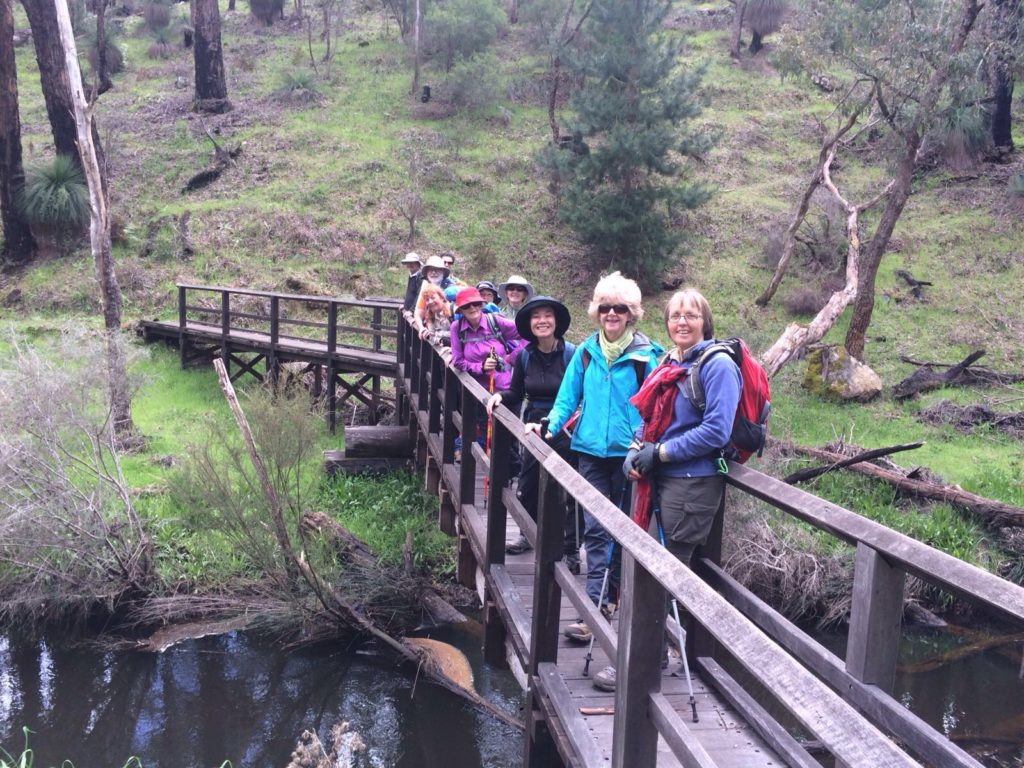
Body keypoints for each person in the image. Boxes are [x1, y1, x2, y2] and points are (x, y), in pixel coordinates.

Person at [587, 289, 741, 694]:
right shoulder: (670, 362)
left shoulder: (717, 366)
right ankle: (649, 655)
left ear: (705, 322)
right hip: (662, 479)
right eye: (675, 316)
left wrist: (662, 453)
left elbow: (717, 431)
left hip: (692, 486)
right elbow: (649, 417)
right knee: (643, 566)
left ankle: (642, 664)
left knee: (663, 576)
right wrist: (637, 451)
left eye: (691, 315)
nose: (682, 323)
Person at [528, 272, 662, 654]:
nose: (612, 314)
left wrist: (641, 442)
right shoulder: (586, 352)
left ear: (631, 313)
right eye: (606, 308)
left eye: (620, 308)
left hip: (627, 457)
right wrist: (549, 426)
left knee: (620, 531)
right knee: (595, 531)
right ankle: (595, 609)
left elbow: (652, 410)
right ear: (597, 311)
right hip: (588, 452)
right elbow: (567, 397)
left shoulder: (646, 357)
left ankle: (610, 597)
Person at [486, 296, 582, 566]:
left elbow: (581, 394)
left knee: (569, 490)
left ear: (556, 321)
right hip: (533, 426)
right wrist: (500, 397)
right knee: (527, 486)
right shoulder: (525, 355)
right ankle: (527, 534)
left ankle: (571, 549)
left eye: (547, 315)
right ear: (529, 323)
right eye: (536, 316)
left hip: (566, 427)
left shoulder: (572, 354)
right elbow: (517, 391)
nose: (542, 321)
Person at [449, 287, 524, 392]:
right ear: (461, 309)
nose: (472, 308)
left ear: (481, 304)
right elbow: (458, 362)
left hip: (504, 389)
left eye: (476, 304)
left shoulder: (495, 321)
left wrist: (513, 357)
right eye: (466, 305)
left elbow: (529, 334)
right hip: (474, 391)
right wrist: (481, 367)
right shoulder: (457, 328)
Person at [413, 282, 452, 347]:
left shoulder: (452, 311)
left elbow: (457, 334)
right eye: (427, 299)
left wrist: (438, 334)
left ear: (441, 297)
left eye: (433, 297)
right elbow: (432, 336)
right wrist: (426, 333)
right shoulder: (430, 316)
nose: (430, 302)